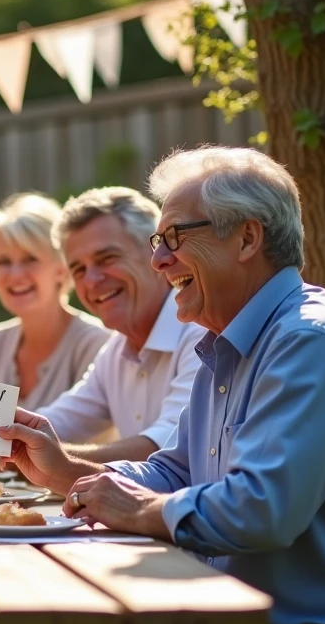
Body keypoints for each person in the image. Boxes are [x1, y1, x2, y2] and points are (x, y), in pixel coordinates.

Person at [0, 146, 325, 624]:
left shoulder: (310, 343)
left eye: (174, 238)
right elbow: (174, 469)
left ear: (248, 239)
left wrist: (137, 510)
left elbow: (261, 508)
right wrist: (70, 472)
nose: (159, 261)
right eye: (158, 242)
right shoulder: (228, 344)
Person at [35, 187, 205, 461]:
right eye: (78, 269)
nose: (91, 281)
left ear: (157, 257)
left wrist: (53, 457)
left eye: (107, 259)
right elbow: (53, 423)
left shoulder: (202, 329)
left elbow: (170, 449)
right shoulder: (116, 350)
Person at [0, 192, 110, 406]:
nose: (15, 274)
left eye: (30, 259)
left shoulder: (97, 344)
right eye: (3, 262)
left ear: (62, 268)